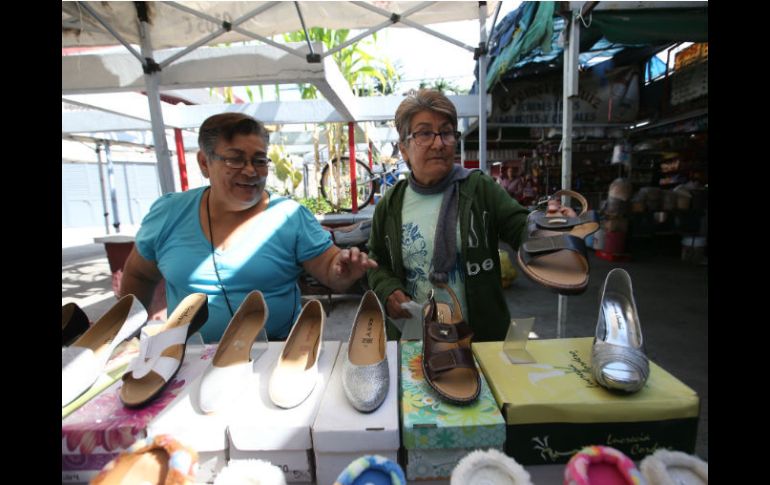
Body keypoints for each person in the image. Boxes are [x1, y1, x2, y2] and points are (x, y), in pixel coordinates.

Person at [120, 113, 377, 342]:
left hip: (278, 353)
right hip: (187, 358)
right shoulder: (169, 213)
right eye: (235, 160)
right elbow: (139, 275)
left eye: (259, 160)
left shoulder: (290, 216)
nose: (251, 171)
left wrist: (343, 270)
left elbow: (330, 269)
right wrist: (126, 333)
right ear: (204, 162)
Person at [366, 89, 574, 341]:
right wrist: (388, 290)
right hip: (416, 338)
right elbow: (376, 259)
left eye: (446, 132)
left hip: (479, 342)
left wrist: (548, 226)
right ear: (404, 149)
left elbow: (520, 226)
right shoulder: (391, 204)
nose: (439, 143)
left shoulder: (479, 189)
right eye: (424, 133)